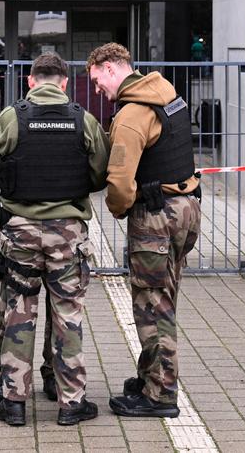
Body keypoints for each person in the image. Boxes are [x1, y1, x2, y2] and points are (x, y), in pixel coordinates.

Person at [0, 52, 108, 427]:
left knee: (19, 313)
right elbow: (100, 174)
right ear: (64, 82)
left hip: (21, 230)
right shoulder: (85, 119)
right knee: (68, 315)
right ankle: (71, 403)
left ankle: (14, 402)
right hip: (69, 233)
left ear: (31, 81)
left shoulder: (11, 118)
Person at [86, 43, 201, 419]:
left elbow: (119, 180)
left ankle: (160, 395)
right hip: (186, 209)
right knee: (163, 297)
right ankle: (150, 374)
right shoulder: (167, 95)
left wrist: (118, 209)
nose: (98, 90)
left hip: (155, 215)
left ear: (108, 68)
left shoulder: (133, 114)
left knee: (152, 306)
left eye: (96, 81)